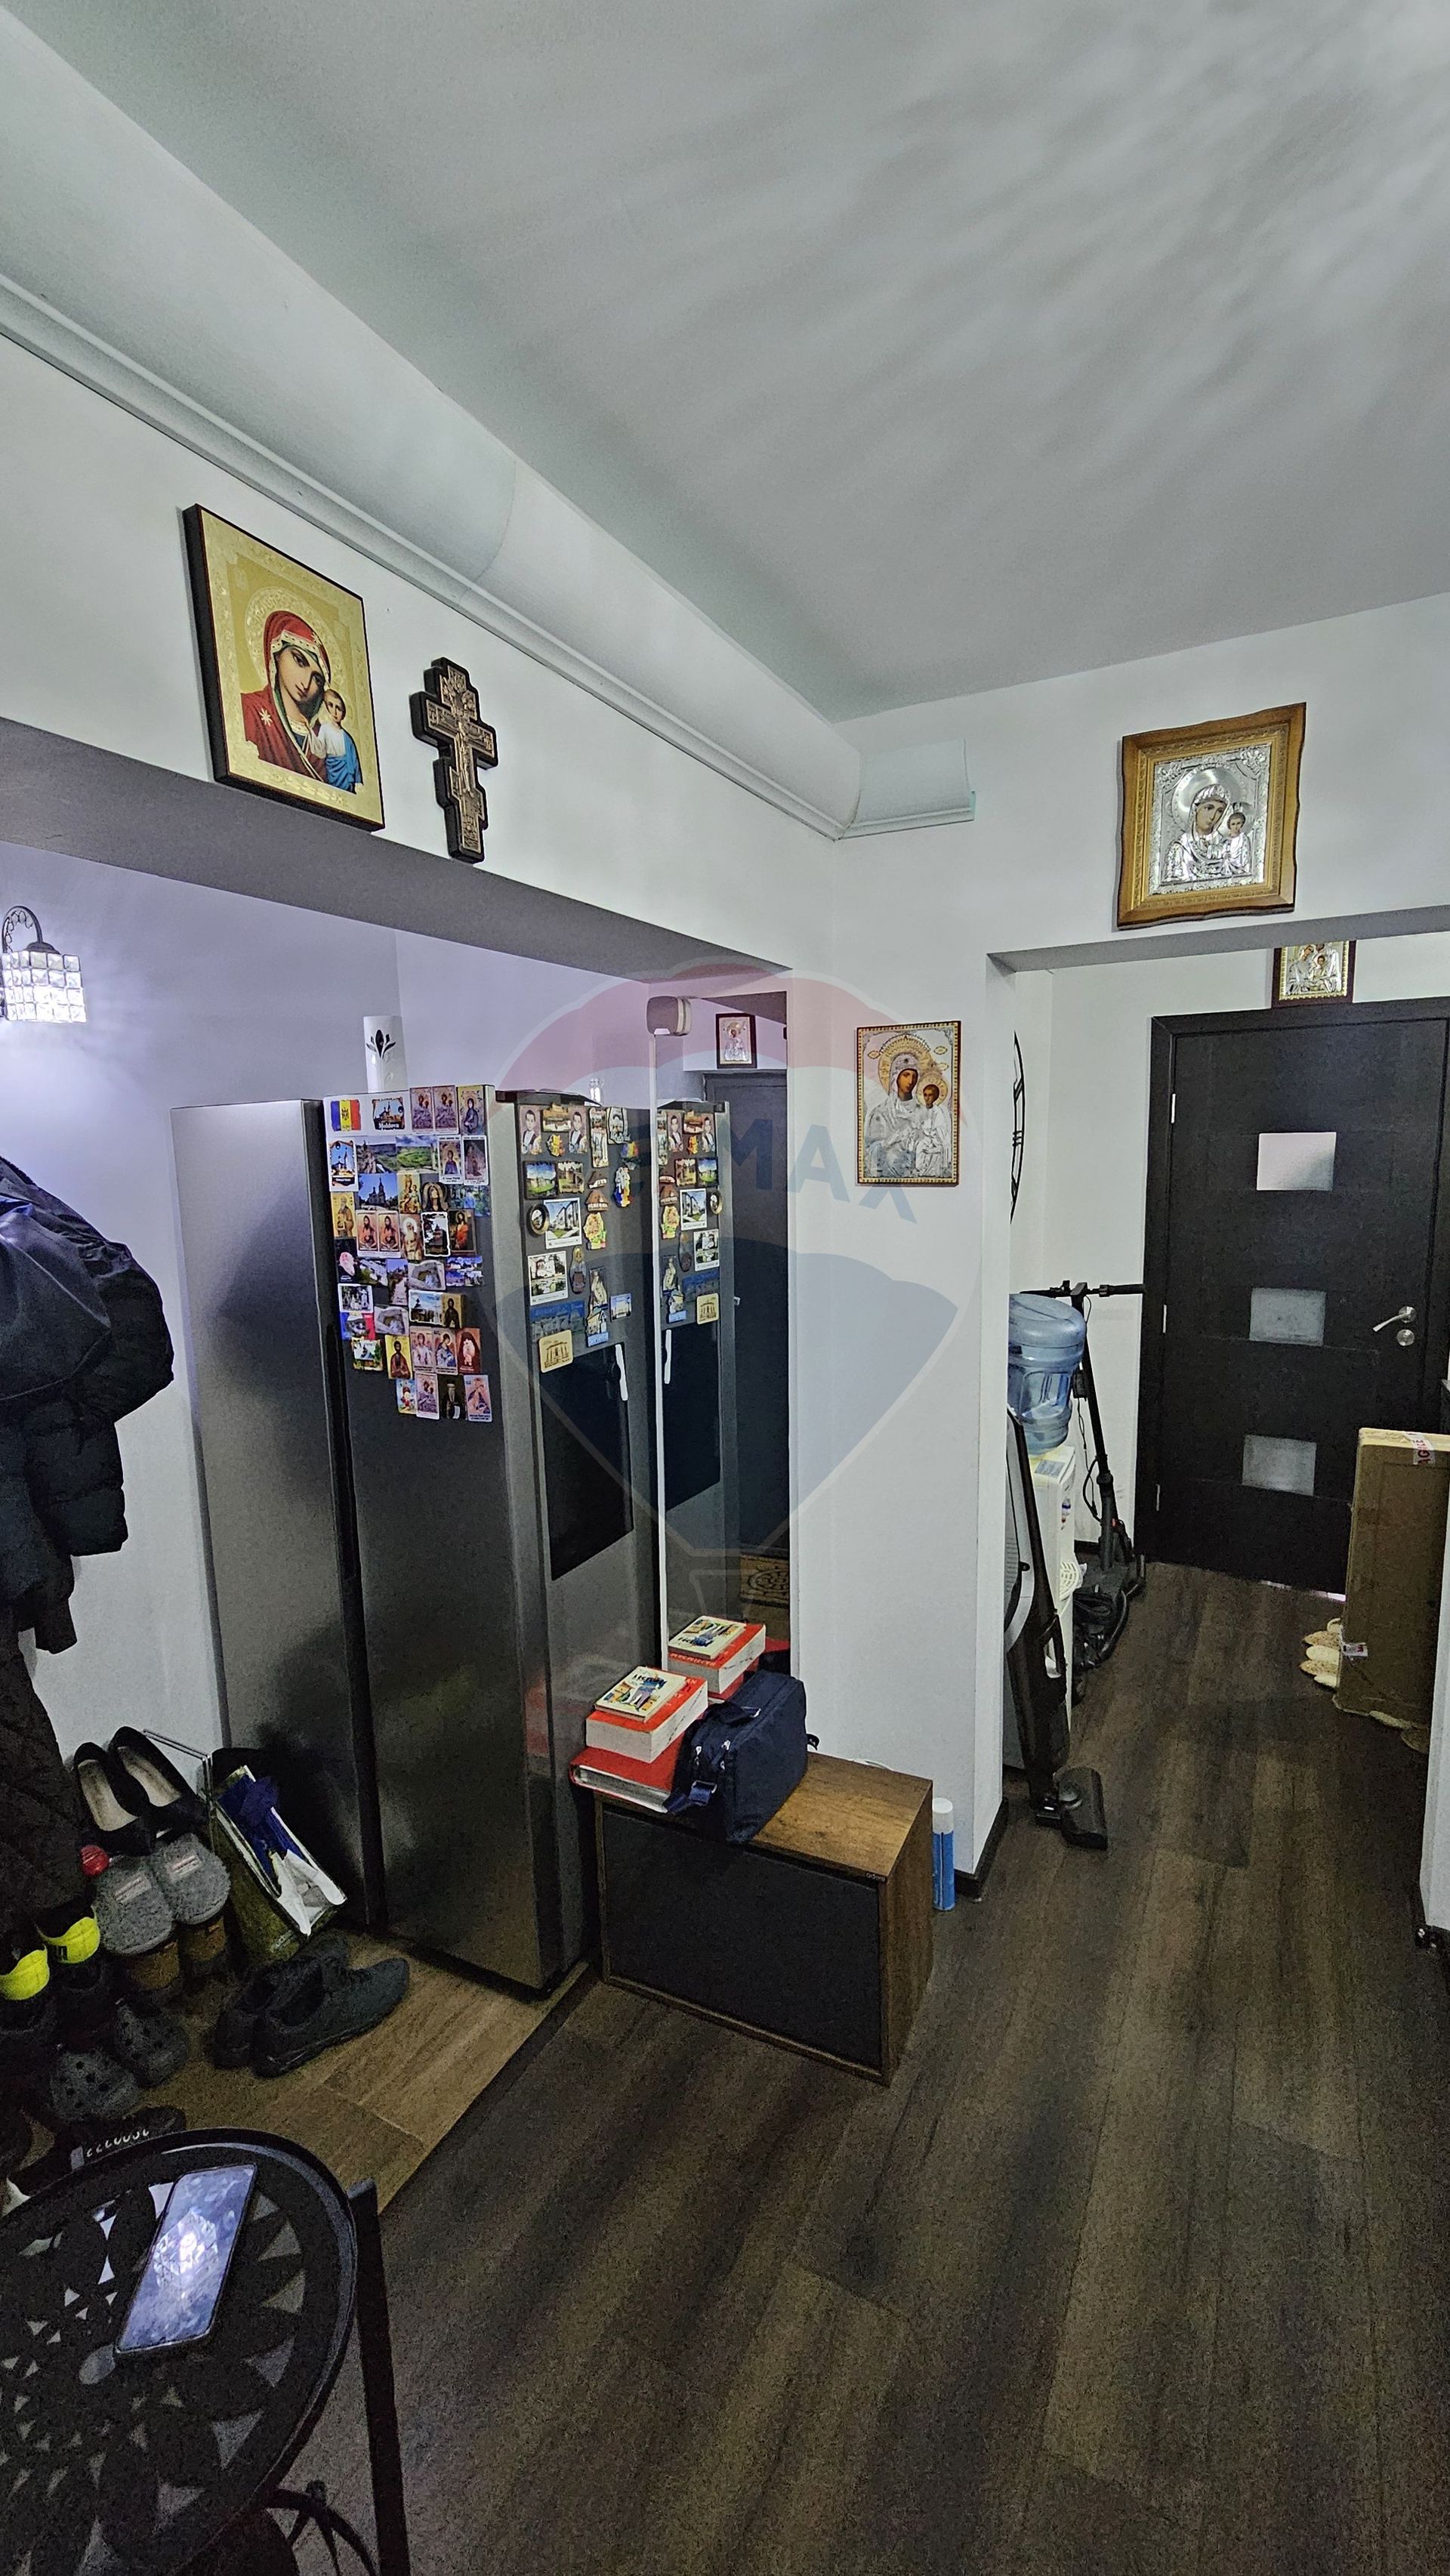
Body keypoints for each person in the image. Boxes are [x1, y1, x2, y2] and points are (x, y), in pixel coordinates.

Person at [240, 612, 329, 777]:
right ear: (278, 652)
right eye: (299, 661)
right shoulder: (249, 709)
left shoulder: (322, 740)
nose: (306, 683)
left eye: (317, 679)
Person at [863, 1061, 923, 1181]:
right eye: (906, 1075)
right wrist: (892, 1140)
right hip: (889, 1175)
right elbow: (871, 1150)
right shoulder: (880, 1113)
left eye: (914, 1076)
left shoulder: (922, 1112)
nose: (911, 1081)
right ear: (896, 1077)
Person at [314, 687, 363, 793]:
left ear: (343, 712)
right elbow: (319, 750)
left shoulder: (347, 738)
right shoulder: (325, 729)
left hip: (346, 775)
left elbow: (354, 761)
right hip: (331, 771)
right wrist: (310, 734)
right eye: (331, 706)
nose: (335, 712)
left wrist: (358, 781)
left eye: (339, 708)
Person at [915, 1079, 952, 1179]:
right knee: (919, 1146)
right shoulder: (922, 1111)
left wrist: (936, 1143)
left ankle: (930, 1172)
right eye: (925, 1095)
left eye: (930, 1095)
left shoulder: (937, 1112)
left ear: (935, 1097)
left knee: (927, 1148)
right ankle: (920, 1170)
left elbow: (940, 1131)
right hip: (927, 1138)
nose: (927, 1098)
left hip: (937, 1139)